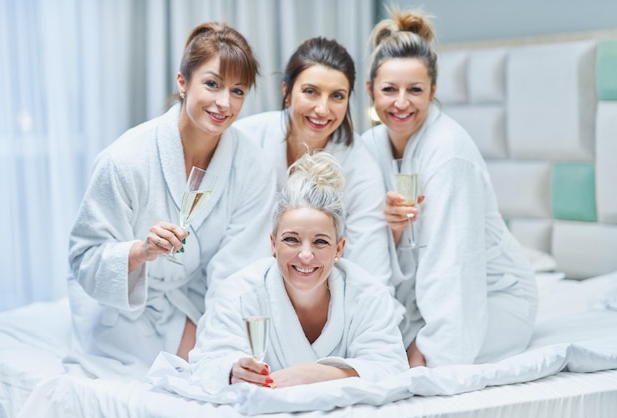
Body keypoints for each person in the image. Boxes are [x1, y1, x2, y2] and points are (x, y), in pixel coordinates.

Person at [67, 22, 276, 376]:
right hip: (122, 307)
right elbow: (84, 259)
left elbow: (236, 273)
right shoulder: (126, 159)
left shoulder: (252, 165)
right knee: (164, 382)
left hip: (193, 301)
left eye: (238, 91)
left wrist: (221, 346)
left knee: (225, 373)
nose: (224, 103)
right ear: (183, 82)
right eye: (212, 84)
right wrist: (141, 252)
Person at [362, 8, 538, 368]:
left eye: (415, 90)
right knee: (367, 350)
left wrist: (424, 356)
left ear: (433, 90)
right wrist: (392, 233)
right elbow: (364, 245)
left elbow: (453, 264)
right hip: (419, 300)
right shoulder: (368, 148)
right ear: (370, 91)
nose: (401, 102)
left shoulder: (449, 153)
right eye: (389, 89)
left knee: (404, 363)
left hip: (491, 300)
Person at [189, 152, 409, 389]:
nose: (305, 255)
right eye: (292, 239)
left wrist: (317, 374)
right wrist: (233, 371)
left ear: (339, 248)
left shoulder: (368, 295)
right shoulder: (238, 293)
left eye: (321, 242)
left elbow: (393, 368)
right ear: (273, 244)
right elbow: (207, 363)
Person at [234, 37, 393, 289]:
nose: (322, 109)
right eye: (311, 92)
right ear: (286, 92)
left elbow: (370, 266)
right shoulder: (245, 140)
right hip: (244, 289)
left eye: (337, 96)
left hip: (322, 297)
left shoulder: (360, 166)